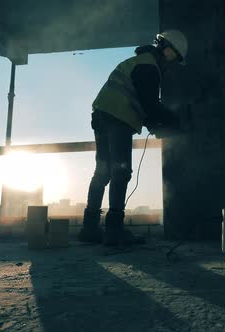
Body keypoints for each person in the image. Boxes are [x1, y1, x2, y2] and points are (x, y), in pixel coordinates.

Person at [78, 30, 189, 246]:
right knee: (121, 171)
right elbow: (149, 104)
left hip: (102, 115)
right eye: (173, 57)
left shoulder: (139, 62)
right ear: (166, 49)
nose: (172, 63)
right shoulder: (149, 67)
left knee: (102, 171)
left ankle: (89, 228)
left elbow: (142, 102)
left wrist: (154, 124)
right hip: (118, 117)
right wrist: (174, 122)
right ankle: (114, 230)